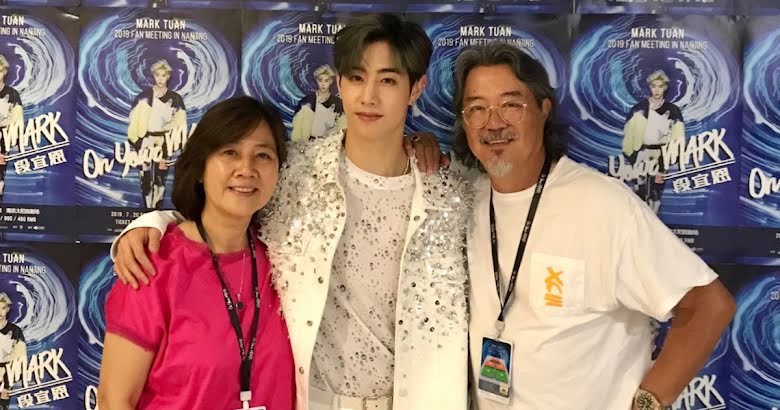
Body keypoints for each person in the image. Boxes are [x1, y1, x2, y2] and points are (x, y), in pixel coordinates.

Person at [110, 14, 469, 410]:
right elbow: (226, 209)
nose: (368, 96)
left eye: (387, 81)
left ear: (416, 88)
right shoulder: (296, 173)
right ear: (339, 83)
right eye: (356, 77)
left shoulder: (449, 192)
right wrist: (153, 223)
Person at [451, 43, 734, 410]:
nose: (494, 123)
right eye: (477, 108)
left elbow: (709, 305)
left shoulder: (601, 204)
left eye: (511, 105)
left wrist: (646, 404)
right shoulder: (465, 202)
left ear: (543, 109)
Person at [98, 96, 294, 409]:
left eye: (263, 155)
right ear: (201, 167)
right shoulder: (153, 265)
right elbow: (114, 400)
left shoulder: (287, 258)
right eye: (230, 152)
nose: (246, 169)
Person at [622, 70, 685, 213]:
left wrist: (671, 157)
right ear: (650, 87)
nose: (657, 90)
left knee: (656, 192)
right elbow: (628, 134)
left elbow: (678, 136)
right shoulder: (638, 109)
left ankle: (653, 220)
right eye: (654, 86)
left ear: (665, 88)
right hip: (641, 153)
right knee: (639, 189)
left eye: (660, 86)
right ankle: (640, 221)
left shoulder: (673, 110)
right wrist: (631, 154)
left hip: (661, 155)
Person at [128, 59, 187, 210]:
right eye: (157, 75)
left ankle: (157, 209)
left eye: (163, 75)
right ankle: (148, 209)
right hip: (146, 141)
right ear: (153, 76)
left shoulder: (175, 98)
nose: (160, 79)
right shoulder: (143, 97)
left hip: (164, 142)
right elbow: (133, 121)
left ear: (168, 77)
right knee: (145, 177)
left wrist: (174, 143)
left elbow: (181, 123)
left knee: (160, 178)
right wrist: (136, 141)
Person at [291, 64, 345, 142]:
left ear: (331, 81)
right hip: (307, 144)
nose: (323, 84)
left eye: (326, 81)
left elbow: (343, 129)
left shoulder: (337, 103)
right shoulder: (306, 102)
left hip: (330, 144)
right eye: (320, 80)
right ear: (316, 81)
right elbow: (297, 128)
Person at [0, 55, 23, 204]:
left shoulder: (13, 94)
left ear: (5, 72)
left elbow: (17, 124)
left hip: (3, 149)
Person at [0, 293, 25, 410]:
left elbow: (20, 357)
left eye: (3, 308)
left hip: (6, 375)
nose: (0, 311)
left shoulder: (15, 331)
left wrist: (7, 385)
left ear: (8, 309)